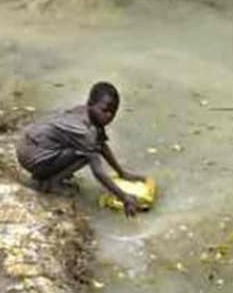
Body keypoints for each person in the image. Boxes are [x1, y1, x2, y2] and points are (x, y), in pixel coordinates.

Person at [16, 81, 147, 217]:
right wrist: (124, 197)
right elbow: (99, 173)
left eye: (113, 112)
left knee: (90, 147)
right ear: (90, 104)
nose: (108, 116)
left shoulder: (84, 113)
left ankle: (46, 174)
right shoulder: (85, 132)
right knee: (86, 155)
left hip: (29, 146)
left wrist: (121, 172)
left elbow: (102, 144)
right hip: (33, 156)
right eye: (104, 110)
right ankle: (50, 184)